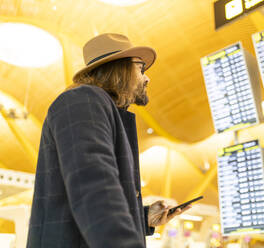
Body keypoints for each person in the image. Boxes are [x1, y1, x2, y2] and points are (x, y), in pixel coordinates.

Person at [26, 33, 191, 248]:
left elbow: (83, 203)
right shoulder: (82, 100)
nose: (147, 78)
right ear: (120, 68)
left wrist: (143, 218)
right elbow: (93, 187)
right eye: (141, 69)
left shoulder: (96, 108)